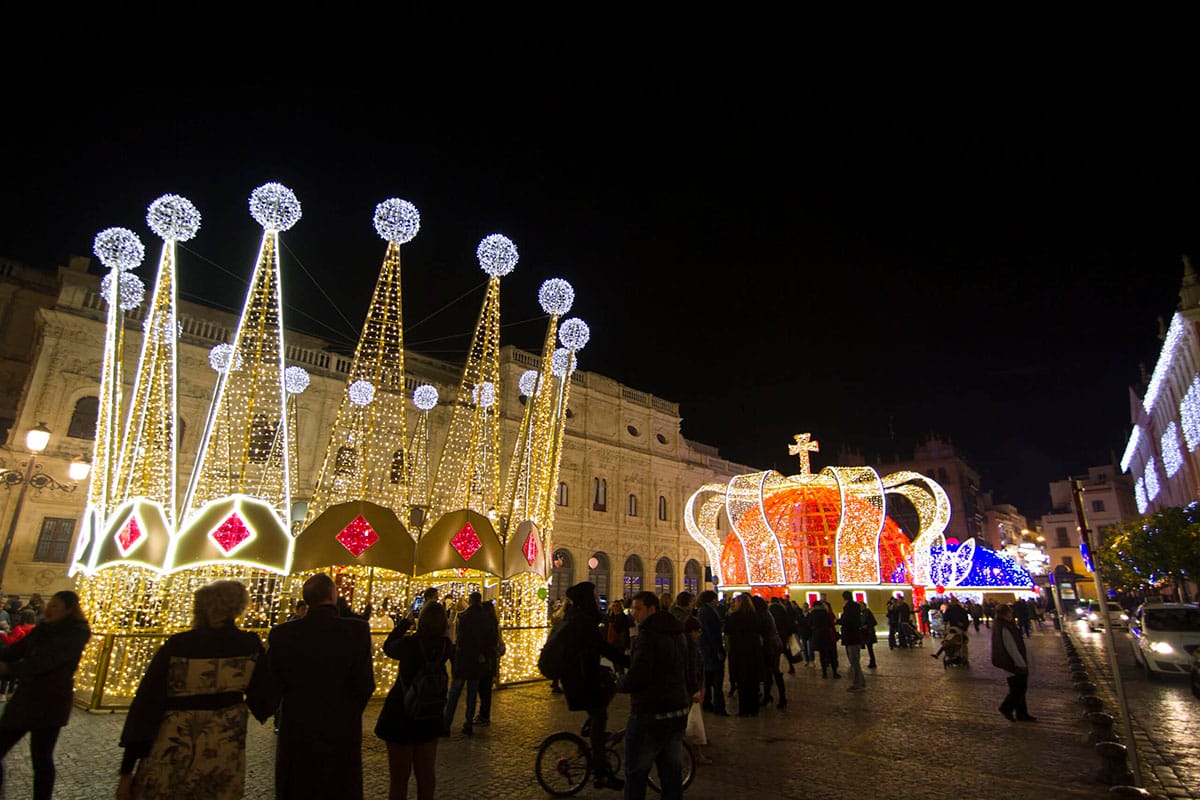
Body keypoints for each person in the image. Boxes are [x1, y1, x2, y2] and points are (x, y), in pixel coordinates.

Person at [117, 580, 266, 800]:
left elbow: (146, 705)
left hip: (173, 745)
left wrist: (127, 770)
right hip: (223, 749)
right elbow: (264, 700)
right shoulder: (249, 645)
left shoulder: (178, 645)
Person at [258, 573, 375, 800]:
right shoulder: (356, 631)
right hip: (341, 729)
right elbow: (365, 684)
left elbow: (271, 684)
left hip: (298, 729)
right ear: (334, 595)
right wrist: (348, 710)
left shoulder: (284, 634)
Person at [0, 590, 91, 800]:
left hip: (50, 704)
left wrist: (9, 670)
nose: (49, 609)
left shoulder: (75, 634)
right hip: (26, 701)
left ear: (69, 610)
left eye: (56, 605)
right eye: (50, 604)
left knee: (41, 759)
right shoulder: (43, 629)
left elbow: (45, 663)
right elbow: (16, 650)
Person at [618, 591, 696, 800]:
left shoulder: (648, 636)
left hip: (650, 714)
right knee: (671, 774)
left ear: (652, 609)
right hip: (677, 712)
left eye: (638, 608)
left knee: (636, 774)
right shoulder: (678, 633)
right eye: (633, 608)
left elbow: (639, 675)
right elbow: (692, 667)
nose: (634, 613)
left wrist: (620, 684)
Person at [375, 600, 453, 800]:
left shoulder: (410, 644)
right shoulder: (445, 646)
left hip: (401, 714)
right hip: (430, 715)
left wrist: (404, 623)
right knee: (426, 775)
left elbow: (388, 646)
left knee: (399, 779)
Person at [557, 582, 626, 790]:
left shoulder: (575, 619)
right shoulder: (583, 622)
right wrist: (629, 661)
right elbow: (603, 648)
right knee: (600, 717)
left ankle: (592, 729)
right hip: (581, 681)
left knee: (601, 708)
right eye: (593, 598)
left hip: (579, 678)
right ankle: (600, 772)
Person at [442, 591, 495, 736]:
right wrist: (483, 654)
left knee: (454, 694)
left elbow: (460, 640)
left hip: (463, 660)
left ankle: (446, 724)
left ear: (470, 601)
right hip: (477, 662)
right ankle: (468, 724)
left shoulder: (463, 617)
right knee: (471, 695)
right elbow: (489, 640)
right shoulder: (486, 619)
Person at [992, 604, 1036, 722]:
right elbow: (1011, 646)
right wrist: (1020, 663)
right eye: (1010, 613)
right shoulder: (1005, 627)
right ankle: (1006, 708)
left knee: (1018, 688)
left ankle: (1022, 714)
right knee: (1019, 689)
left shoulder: (1002, 625)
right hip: (1013, 663)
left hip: (1010, 661)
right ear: (1006, 614)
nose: (1012, 615)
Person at [724, 593, 762, 716]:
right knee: (753, 680)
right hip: (754, 651)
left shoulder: (734, 617)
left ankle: (744, 709)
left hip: (739, 651)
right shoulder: (755, 616)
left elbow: (727, 631)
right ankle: (754, 708)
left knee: (742, 680)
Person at [696, 591, 728, 715]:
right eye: (715, 599)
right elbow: (712, 633)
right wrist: (718, 650)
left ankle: (707, 703)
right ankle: (719, 707)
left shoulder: (703, 611)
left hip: (706, 649)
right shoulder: (709, 612)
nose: (717, 601)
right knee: (717, 680)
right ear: (711, 600)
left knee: (708, 678)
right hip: (711, 649)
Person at [752, 596, 786, 709]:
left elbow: (759, 630)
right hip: (775, 644)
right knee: (774, 672)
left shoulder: (760, 615)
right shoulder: (767, 613)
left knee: (771, 672)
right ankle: (775, 697)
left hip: (769, 646)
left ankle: (774, 697)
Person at [474, 600, 503, 726]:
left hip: (485, 659)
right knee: (486, 689)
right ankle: (484, 714)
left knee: (483, 688)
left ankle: (483, 715)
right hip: (491, 658)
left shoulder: (486, 624)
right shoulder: (494, 622)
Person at [838, 591, 866, 691]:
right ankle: (861, 681)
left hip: (851, 637)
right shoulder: (856, 607)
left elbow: (847, 621)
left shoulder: (848, 608)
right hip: (856, 637)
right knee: (856, 661)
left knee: (854, 662)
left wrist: (838, 621)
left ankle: (857, 683)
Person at [809, 598, 840, 678]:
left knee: (822, 655)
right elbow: (830, 623)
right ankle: (834, 672)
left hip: (818, 636)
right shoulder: (825, 613)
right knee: (831, 654)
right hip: (827, 635)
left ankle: (824, 673)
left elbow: (810, 624)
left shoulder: (813, 614)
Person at [860, 600, 879, 668]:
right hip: (866, 633)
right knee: (869, 648)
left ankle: (873, 662)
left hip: (868, 633)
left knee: (870, 648)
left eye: (861, 606)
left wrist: (867, 626)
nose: (860, 607)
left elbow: (874, 622)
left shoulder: (867, 613)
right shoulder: (862, 613)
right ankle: (872, 661)